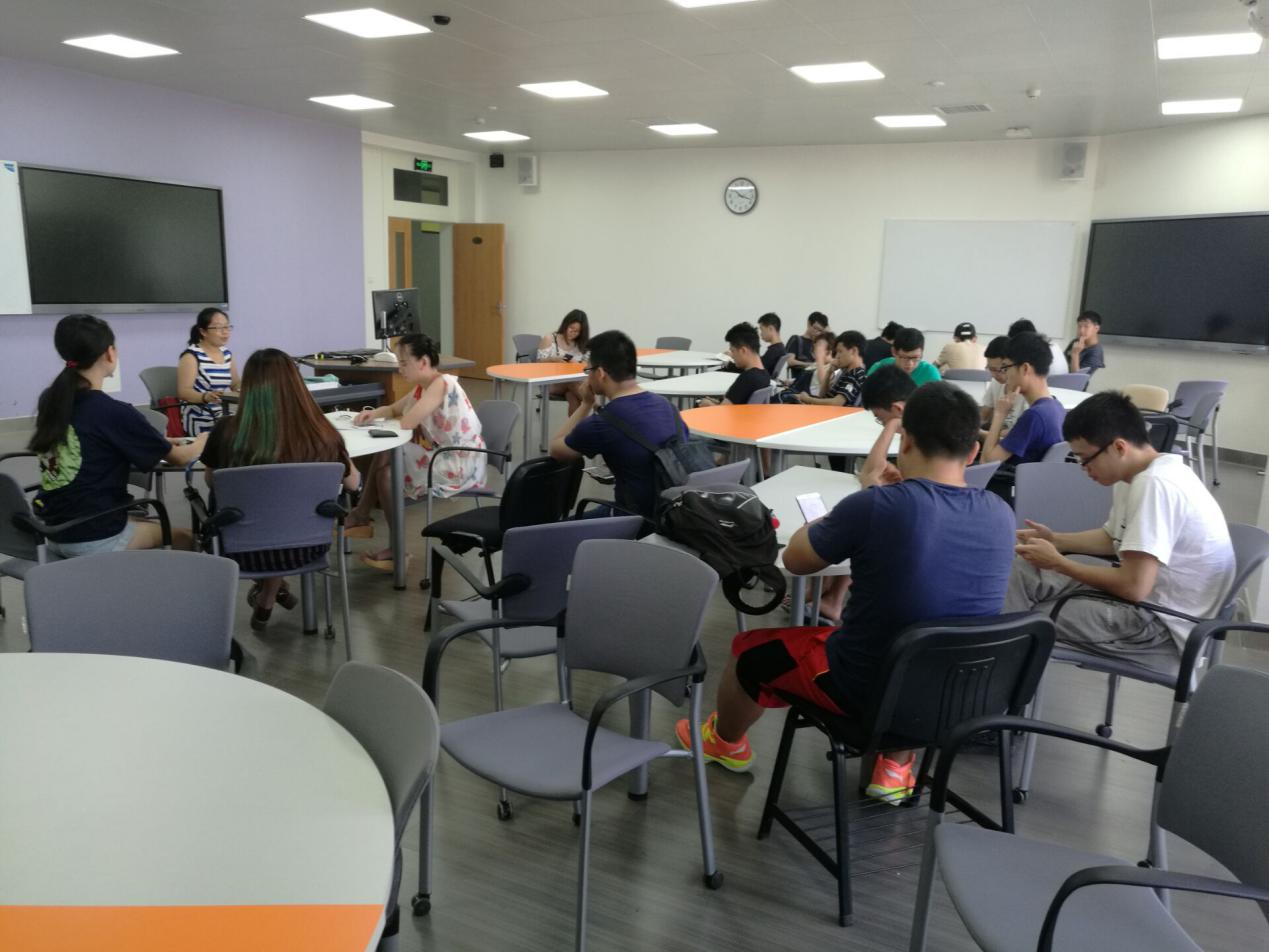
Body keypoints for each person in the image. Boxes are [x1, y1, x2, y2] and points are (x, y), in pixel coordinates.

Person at [675, 382, 1015, 807]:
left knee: (748, 650)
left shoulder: (877, 506)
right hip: (957, 695)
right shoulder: (1001, 514)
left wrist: (866, 494)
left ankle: (725, 742)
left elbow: (797, 560)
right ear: (973, 451)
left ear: (906, 441)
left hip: (863, 689)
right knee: (929, 639)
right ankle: (894, 768)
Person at [1005, 391, 1234, 673]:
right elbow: (1112, 538)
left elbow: (1133, 587)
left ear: (1119, 447)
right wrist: (1056, 540)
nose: (1084, 468)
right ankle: (996, 671)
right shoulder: (1140, 473)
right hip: (1148, 600)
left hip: (1161, 628)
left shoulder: (1156, 485)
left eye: (1085, 458)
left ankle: (994, 684)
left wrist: (1059, 562)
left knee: (1029, 620)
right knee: (1023, 571)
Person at [201, 348, 360, 629]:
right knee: (283, 518)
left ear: (249, 387)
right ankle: (270, 595)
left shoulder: (226, 431)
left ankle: (269, 592)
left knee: (262, 517)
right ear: (297, 385)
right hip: (308, 548)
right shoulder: (323, 434)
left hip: (241, 550)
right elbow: (353, 483)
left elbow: (213, 481)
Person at [29, 314, 205, 557]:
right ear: (110, 353)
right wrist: (204, 440)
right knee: (186, 537)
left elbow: (93, 443)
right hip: (93, 536)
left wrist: (162, 442)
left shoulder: (50, 400)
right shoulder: (113, 412)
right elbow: (180, 458)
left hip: (54, 529)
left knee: (145, 525)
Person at [345, 333, 486, 571]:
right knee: (386, 468)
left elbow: (408, 422)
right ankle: (375, 528)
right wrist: (374, 414)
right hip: (443, 456)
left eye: (403, 363)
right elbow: (394, 409)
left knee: (388, 464)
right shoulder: (423, 387)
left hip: (459, 462)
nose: (400, 369)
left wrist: (391, 418)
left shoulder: (442, 383)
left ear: (423, 362)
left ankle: (367, 520)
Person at [549, 329, 685, 519]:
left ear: (600, 373)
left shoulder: (604, 423)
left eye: (588, 371)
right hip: (676, 512)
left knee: (553, 531)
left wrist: (585, 404)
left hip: (631, 519)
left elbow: (556, 450)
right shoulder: (667, 406)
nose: (588, 377)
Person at [981, 331, 1065, 469]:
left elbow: (986, 463)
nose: (1004, 374)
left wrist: (1000, 414)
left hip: (1009, 479)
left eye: (1006, 367)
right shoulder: (1056, 406)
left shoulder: (1033, 416)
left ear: (1025, 368)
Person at [177, 307, 240, 436]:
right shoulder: (191, 356)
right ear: (203, 331)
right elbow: (184, 392)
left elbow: (235, 384)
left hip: (223, 409)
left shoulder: (227, 354)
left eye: (227, 327)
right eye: (218, 328)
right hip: (200, 413)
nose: (225, 332)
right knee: (235, 428)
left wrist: (247, 387)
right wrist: (205, 397)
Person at [699, 323, 771, 407]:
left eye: (733, 351)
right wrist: (717, 403)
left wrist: (707, 404)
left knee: (700, 403)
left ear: (743, 350)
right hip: (746, 414)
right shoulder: (765, 375)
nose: (732, 356)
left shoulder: (746, 378)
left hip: (731, 415)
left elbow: (723, 411)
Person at [796, 330, 868, 408]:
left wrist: (808, 399)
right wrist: (829, 372)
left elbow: (837, 402)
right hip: (827, 411)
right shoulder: (846, 373)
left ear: (853, 351)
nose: (837, 356)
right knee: (791, 397)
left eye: (840, 351)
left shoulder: (856, 374)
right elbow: (822, 395)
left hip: (834, 413)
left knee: (790, 397)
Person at [537, 308, 590, 414]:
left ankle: (575, 425)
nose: (573, 333)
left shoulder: (581, 344)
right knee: (572, 382)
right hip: (550, 383)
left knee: (572, 397)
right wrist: (553, 359)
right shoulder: (550, 339)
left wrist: (579, 364)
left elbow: (587, 366)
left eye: (577, 331)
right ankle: (595, 405)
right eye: (571, 328)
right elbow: (538, 365)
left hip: (573, 384)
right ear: (565, 324)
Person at [980, 336, 1026, 435]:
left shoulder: (1026, 392)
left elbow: (1020, 434)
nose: (993, 375)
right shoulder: (996, 382)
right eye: (990, 369)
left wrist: (986, 434)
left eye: (998, 370)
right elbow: (985, 413)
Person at [866, 327, 942, 386]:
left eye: (915, 358)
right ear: (894, 352)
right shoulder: (880, 368)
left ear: (922, 353)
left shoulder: (930, 373)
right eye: (905, 357)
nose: (910, 363)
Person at [1065, 310, 1105, 374]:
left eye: (1086, 326)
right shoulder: (1075, 341)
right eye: (1079, 326)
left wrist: (1075, 354)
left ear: (1096, 328)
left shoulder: (1096, 352)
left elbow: (1077, 378)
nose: (1081, 330)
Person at [757, 313, 787, 378]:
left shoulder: (774, 351)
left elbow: (757, 369)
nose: (761, 334)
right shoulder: (780, 348)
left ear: (770, 328)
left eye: (762, 329)